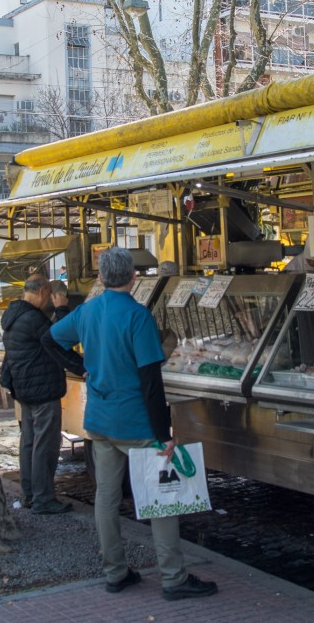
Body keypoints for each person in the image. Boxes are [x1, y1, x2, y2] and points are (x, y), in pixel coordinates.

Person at [45, 247, 218, 601]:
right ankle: (173, 577)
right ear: (134, 277)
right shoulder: (138, 317)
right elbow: (150, 380)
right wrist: (163, 434)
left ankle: (116, 572)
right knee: (161, 499)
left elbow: (49, 339)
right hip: (137, 423)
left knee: (106, 498)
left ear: (100, 277)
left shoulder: (87, 311)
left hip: (100, 420)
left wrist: (79, 367)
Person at [0, 274, 78, 515]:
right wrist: (63, 309)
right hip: (42, 390)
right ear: (44, 291)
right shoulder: (33, 318)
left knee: (29, 442)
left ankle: (30, 494)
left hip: (24, 389)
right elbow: (60, 338)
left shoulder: (13, 315)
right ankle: (44, 498)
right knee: (46, 443)